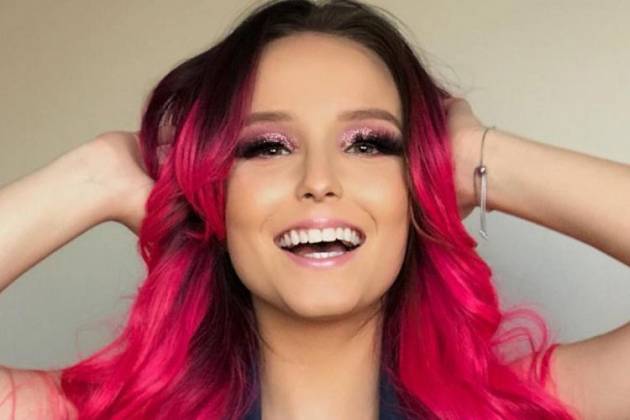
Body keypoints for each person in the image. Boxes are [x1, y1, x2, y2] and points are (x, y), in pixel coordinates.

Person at [0, 0, 629, 418]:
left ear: (419, 184)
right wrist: (97, 176)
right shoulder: (105, 414)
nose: (319, 181)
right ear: (213, 189)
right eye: (267, 146)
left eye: (370, 143)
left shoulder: (507, 408)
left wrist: (477, 158)